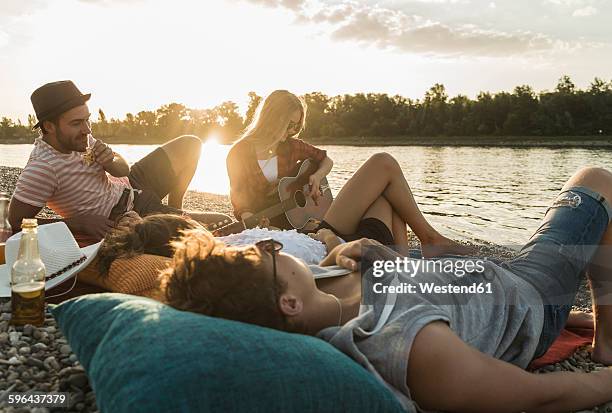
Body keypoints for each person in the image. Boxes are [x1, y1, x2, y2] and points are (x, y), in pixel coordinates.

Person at [160, 166, 612, 412]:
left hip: (484, 278)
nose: (265, 242)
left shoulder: (316, 295)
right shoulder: (405, 338)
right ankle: (606, 342)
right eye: (263, 253)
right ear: (287, 302)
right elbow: (538, 395)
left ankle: (582, 317)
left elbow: (374, 273)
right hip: (528, 296)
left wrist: (356, 251)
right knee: (596, 183)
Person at [8, 80, 230, 240]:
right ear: (49, 126)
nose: (86, 129)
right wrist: (75, 224)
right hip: (125, 215)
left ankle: (174, 209)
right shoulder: (42, 169)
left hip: (131, 184)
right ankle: (173, 217)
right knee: (221, 223)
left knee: (190, 144)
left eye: (87, 120)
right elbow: (15, 224)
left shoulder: (82, 138)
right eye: (76, 123)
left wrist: (111, 161)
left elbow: (123, 170)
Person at [226, 90, 333, 229]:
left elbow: (326, 160)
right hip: (266, 220)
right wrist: (250, 219)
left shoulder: (292, 146)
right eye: (289, 125)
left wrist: (317, 176)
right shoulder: (238, 153)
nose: (292, 131)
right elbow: (239, 196)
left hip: (296, 218)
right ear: (271, 118)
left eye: (296, 126)